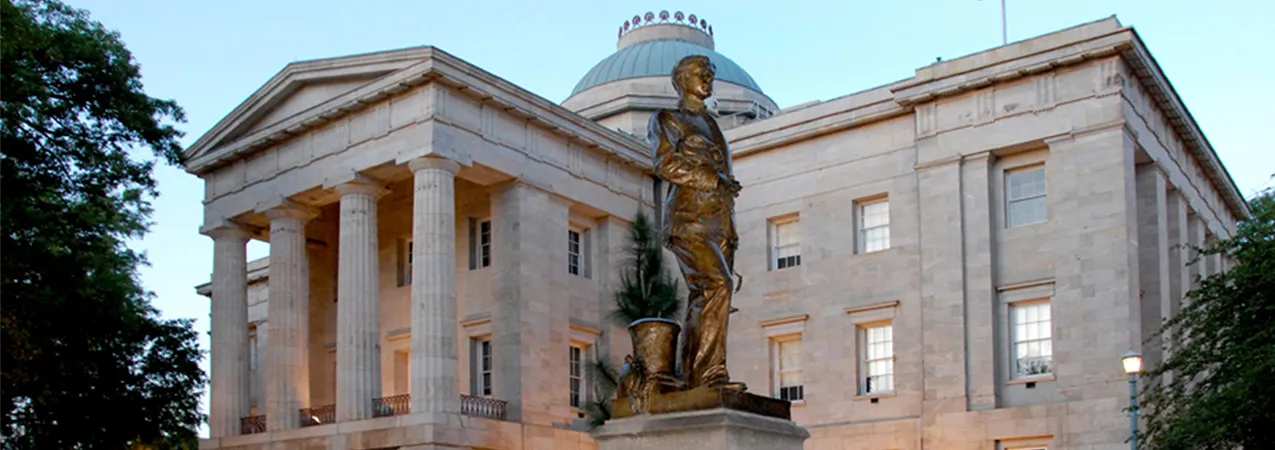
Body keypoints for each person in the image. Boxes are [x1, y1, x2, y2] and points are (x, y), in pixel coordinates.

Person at [649, 55, 746, 391]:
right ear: (681, 79)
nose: (707, 78)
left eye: (710, 73)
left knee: (703, 295)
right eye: (700, 73)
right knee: (718, 285)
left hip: (719, 223)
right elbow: (665, 163)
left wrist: (730, 231)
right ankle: (710, 375)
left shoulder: (712, 124)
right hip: (688, 219)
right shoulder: (668, 118)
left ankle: (693, 377)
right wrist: (710, 179)